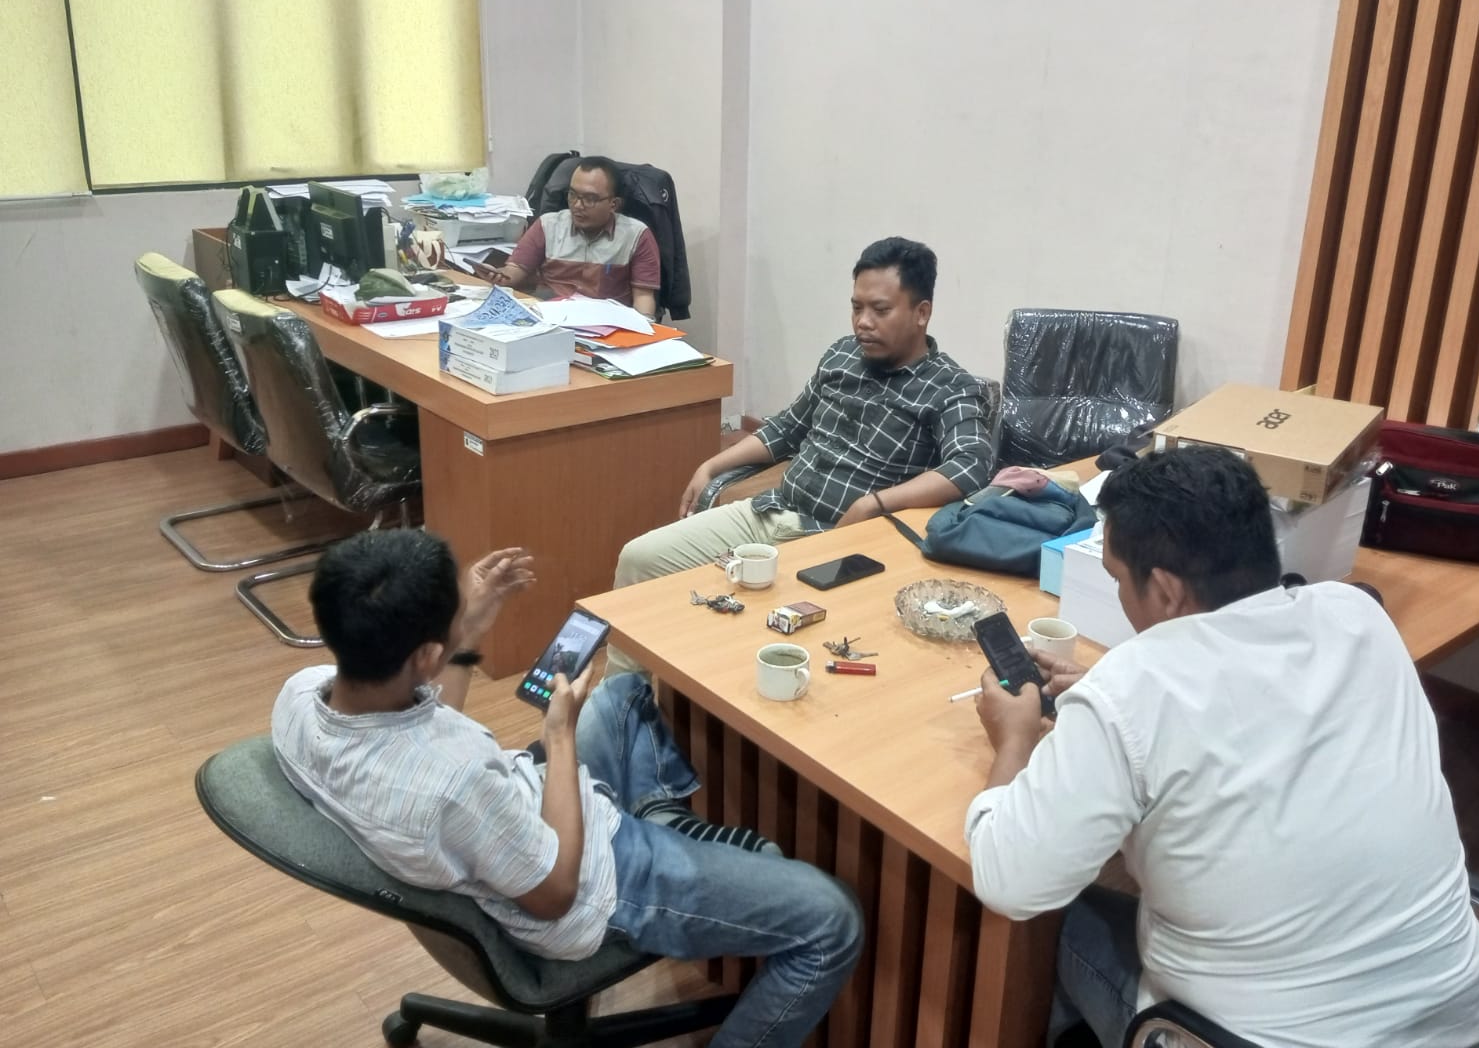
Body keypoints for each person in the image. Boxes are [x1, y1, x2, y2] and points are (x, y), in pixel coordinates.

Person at [964, 447, 1479, 1048]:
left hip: (1240, 1040)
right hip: (1475, 1028)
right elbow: (1248, 708)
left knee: (1046, 922)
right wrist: (1110, 705)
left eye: (1117, 578)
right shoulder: (1358, 614)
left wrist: (1014, 740)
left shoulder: (1132, 689)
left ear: (1166, 590)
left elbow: (1009, 882)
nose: (1118, 592)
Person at [272, 529, 862, 1048]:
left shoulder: (300, 696)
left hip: (512, 809)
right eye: (450, 621)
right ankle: (658, 831)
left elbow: (428, 728)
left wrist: (467, 631)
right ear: (426, 656)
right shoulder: (453, 786)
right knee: (832, 920)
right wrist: (559, 738)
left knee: (622, 694)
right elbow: (555, 892)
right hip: (591, 880)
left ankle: (663, 821)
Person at [614, 236, 992, 589]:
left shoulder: (950, 386)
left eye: (880, 310)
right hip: (773, 510)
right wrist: (711, 466)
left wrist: (873, 504)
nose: (863, 322)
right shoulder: (843, 354)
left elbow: (971, 465)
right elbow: (787, 428)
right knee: (639, 559)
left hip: (841, 541)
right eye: (856, 307)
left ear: (921, 313)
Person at [489, 156, 661, 316]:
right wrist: (500, 276)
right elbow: (516, 270)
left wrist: (645, 327)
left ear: (613, 204)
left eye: (590, 199)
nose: (577, 205)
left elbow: (643, 296)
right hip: (552, 318)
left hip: (606, 323)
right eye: (572, 195)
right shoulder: (548, 225)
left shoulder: (637, 235)